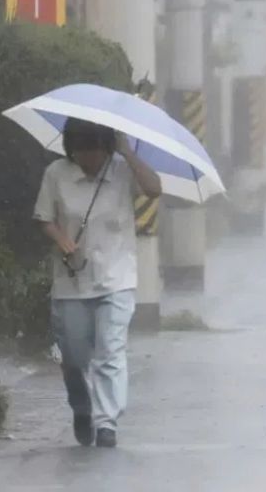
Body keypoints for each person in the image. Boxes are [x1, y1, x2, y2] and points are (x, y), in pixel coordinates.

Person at [34, 117, 162, 449]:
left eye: (96, 151)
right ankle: (82, 407)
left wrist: (126, 152)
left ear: (106, 148)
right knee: (74, 357)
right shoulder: (56, 175)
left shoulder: (121, 170)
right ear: (71, 150)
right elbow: (44, 218)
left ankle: (106, 423)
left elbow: (154, 188)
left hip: (117, 278)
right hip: (71, 282)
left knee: (110, 349)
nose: (90, 159)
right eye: (83, 151)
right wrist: (62, 240)